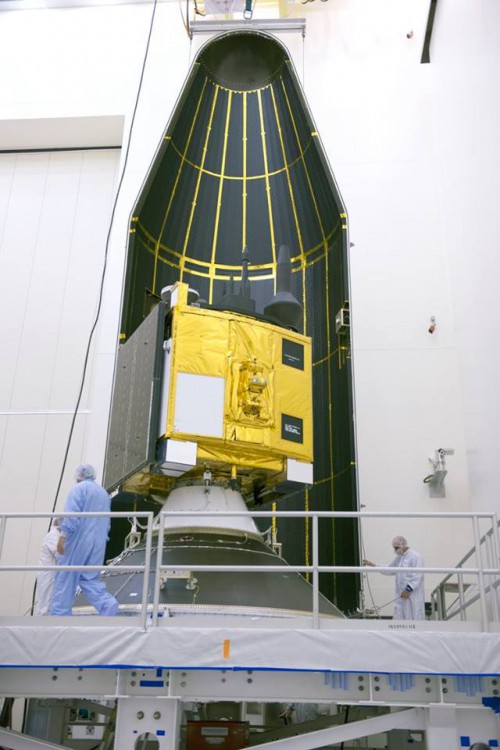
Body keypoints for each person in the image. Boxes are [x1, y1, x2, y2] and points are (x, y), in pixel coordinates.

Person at [51, 464, 119, 616]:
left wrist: (62, 537)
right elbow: (107, 522)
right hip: (98, 543)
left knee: (66, 576)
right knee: (90, 577)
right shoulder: (103, 493)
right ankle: (107, 603)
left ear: (78, 476)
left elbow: (72, 516)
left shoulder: (79, 489)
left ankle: (60, 616)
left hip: (78, 541)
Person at [363, 535, 425, 620]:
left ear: (403, 545)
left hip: (411, 595)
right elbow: (389, 569)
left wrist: (408, 589)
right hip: (400, 595)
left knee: (412, 618)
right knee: (399, 618)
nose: (395, 550)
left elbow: (417, 576)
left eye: (396, 548)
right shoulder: (399, 558)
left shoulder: (416, 556)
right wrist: (373, 565)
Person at [34, 518, 61, 615]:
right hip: (48, 575)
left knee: (48, 602)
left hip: (51, 575)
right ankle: (42, 626)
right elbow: (60, 554)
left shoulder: (56, 535)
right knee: (45, 603)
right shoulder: (53, 535)